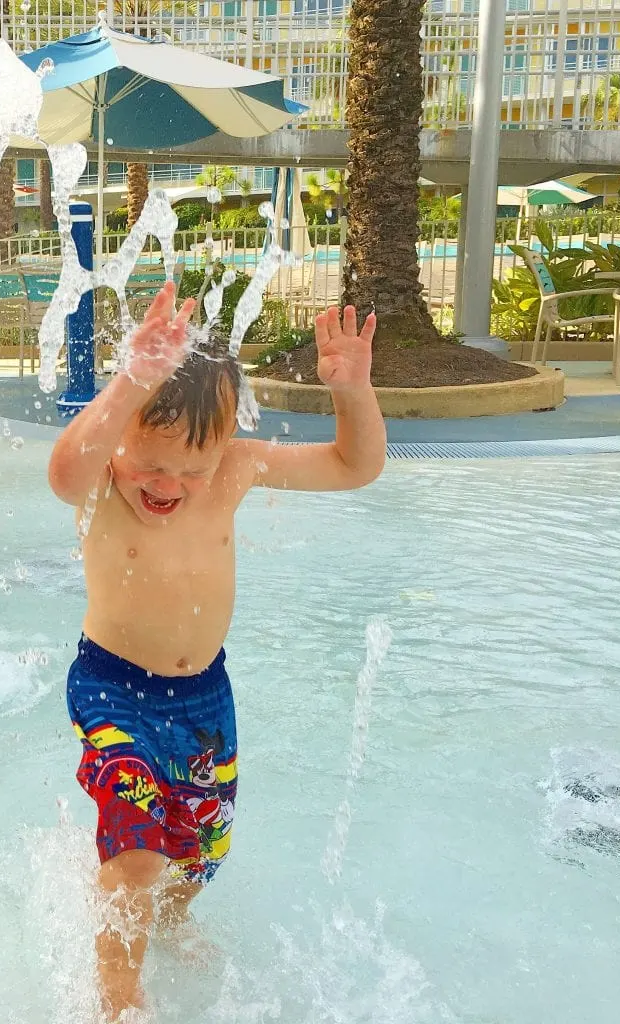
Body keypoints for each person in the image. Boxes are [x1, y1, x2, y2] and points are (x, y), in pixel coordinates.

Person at [47, 282, 385, 1022]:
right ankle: (118, 1001)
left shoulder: (235, 470)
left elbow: (354, 467)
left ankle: (165, 916)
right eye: (152, 463)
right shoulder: (102, 478)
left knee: (198, 854)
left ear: (223, 447)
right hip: (111, 687)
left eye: (190, 470)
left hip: (204, 699)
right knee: (137, 848)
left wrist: (353, 392)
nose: (169, 485)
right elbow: (65, 471)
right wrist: (132, 380)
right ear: (123, 435)